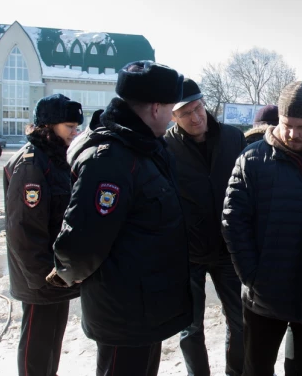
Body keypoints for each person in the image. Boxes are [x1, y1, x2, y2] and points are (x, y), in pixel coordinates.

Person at [49, 61, 192, 376]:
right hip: (125, 312)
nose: (172, 116)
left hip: (144, 308)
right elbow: (83, 240)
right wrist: (65, 271)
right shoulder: (113, 159)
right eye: (171, 108)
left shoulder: (144, 148)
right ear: (155, 108)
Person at [222, 81, 302, 376]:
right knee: (256, 369)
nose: (292, 133)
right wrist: (252, 276)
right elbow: (233, 222)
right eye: (286, 124)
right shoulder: (252, 159)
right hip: (263, 297)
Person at [164, 78, 246, 376]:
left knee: (240, 322)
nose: (196, 117)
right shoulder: (165, 147)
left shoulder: (233, 138)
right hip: (188, 253)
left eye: (198, 108)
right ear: (173, 116)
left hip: (228, 249)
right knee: (190, 327)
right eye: (185, 113)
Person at [4, 94, 82, 376]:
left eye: (76, 127)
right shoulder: (32, 164)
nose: (75, 133)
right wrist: (41, 279)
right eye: (69, 127)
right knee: (37, 346)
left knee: (50, 342)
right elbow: (23, 229)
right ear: (48, 127)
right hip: (40, 278)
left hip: (55, 275)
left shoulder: (55, 158)